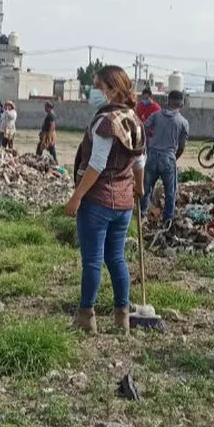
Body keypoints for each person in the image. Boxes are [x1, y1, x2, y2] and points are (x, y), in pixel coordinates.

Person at [65, 65, 146, 335]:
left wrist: (76, 197)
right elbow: (140, 160)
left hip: (98, 201)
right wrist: (139, 186)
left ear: (111, 89)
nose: (93, 92)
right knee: (116, 259)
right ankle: (122, 316)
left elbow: (96, 164)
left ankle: (86, 315)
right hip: (123, 203)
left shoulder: (105, 123)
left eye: (97, 87)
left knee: (92, 260)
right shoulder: (133, 119)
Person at [141, 90, 190, 224]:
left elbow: (144, 127)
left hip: (152, 155)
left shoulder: (156, 115)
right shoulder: (183, 122)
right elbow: (181, 147)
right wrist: (174, 157)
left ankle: (142, 215)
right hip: (168, 158)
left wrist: (148, 143)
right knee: (170, 192)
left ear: (168, 102)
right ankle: (167, 219)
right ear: (182, 104)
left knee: (146, 188)